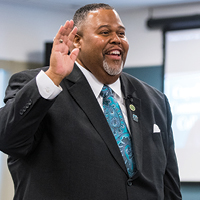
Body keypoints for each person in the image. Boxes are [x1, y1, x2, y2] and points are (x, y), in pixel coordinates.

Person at [0, 3, 182, 200]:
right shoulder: (40, 85)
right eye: (105, 32)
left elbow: (169, 184)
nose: (116, 40)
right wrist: (53, 76)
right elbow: (9, 141)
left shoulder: (154, 100)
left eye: (121, 33)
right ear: (77, 40)